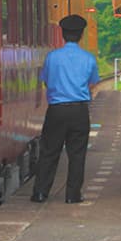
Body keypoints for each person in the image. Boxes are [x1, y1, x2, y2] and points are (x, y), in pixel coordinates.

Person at [31, 14, 100, 204]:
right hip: (79, 111)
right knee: (77, 154)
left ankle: (40, 193)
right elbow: (93, 83)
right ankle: (73, 195)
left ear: (62, 34)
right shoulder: (88, 58)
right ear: (81, 35)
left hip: (56, 110)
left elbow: (45, 80)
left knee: (49, 151)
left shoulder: (52, 57)